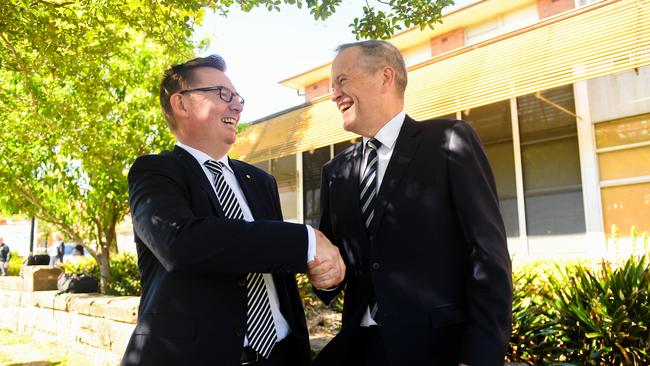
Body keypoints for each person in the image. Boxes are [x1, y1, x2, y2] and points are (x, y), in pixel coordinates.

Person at [121, 55, 344, 366]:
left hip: (280, 355)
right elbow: (179, 243)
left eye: (238, 98)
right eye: (223, 95)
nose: (237, 106)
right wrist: (305, 240)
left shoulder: (261, 181)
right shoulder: (155, 171)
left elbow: (268, 258)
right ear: (182, 104)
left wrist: (323, 270)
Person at [309, 40, 513, 366]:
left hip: (437, 350)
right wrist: (326, 277)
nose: (334, 94)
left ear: (385, 77)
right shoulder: (336, 171)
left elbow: (488, 256)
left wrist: (480, 356)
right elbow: (334, 265)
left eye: (342, 81)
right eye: (333, 86)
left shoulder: (449, 140)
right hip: (359, 352)